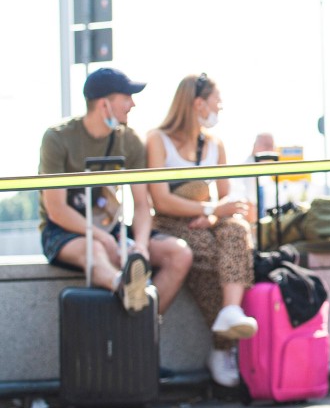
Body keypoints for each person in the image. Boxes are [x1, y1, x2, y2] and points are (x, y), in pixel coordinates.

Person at [38, 68, 192, 316]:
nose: (132, 104)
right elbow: (56, 209)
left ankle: (142, 322)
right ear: (104, 104)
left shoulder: (129, 140)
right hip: (66, 231)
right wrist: (100, 236)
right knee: (96, 250)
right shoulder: (58, 138)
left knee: (179, 253)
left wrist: (140, 247)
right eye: (126, 97)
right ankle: (126, 288)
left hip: (113, 228)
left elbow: (142, 205)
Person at [145, 73, 258, 388]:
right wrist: (208, 211)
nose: (219, 110)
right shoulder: (157, 139)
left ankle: (232, 311)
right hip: (173, 223)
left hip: (204, 219)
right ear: (198, 103)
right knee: (208, 258)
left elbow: (224, 197)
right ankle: (223, 347)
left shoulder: (214, 145)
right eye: (216, 103)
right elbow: (161, 199)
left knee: (236, 231)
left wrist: (214, 216)